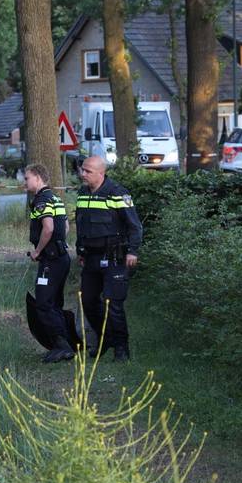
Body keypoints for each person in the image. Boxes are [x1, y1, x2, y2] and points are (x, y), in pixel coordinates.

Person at [75, 155, 143, 362]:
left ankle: (121, 349)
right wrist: (81, 251)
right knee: (87, 300)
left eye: (88, 171)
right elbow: (82, 225)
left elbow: (135, 226)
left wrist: (133, 251)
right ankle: (106, 338)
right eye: (82, 170)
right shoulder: (82, 193)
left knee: (113, 303)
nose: (82, 174)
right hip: (91, 257)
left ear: (101, 173)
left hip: (115, 258)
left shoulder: (117, 193)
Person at [24, 164, 74, 363]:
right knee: (55, 302)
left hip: (51, 261)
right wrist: (60, 244)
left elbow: (48, 228)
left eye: (27, 178)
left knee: (44, 304)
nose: (25, 182)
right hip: (61, 257)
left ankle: (62, 346)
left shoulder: (41, 200)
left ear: (37, 177)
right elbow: (66, 225)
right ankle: (64, 344)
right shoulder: (55, 198)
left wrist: (38, 251)